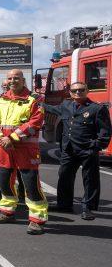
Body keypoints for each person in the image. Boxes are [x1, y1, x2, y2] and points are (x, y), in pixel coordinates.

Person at [0, 70, 47, 234]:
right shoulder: (0, 100)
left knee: (31, 185)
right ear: (6, 80)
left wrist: (12, 137)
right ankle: (7, 212)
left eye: (16, 78)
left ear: (23, 80)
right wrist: (1, 137)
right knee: (5, 182)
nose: (13, 81)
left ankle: (37, 220)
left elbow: (35, 122)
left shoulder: (34, 100)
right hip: (4, 149)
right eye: (10, 78)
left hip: (25, 150)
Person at [45, 81, 111, 220]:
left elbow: (104, 132)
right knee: (64, 176)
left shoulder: (96, 108)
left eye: (81, 90)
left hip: (87, 149)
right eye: (74, 90)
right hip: (68, 149)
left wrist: (95, 146)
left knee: (90, 179)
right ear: (70, 93)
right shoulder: (66, 105)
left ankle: (88, 208)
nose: (77, 92)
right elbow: (50, 109)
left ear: (87, 91)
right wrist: (35, 101)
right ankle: (64, 204)